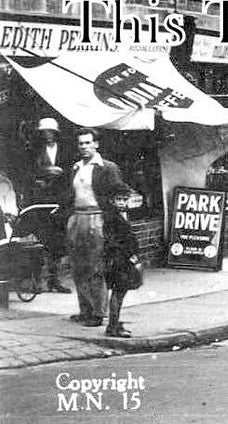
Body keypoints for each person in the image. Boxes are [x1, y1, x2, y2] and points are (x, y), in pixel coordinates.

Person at [64, 129, 131, 328]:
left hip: (97, 218)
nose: (84, 147)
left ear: (96, 144)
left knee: (95, 266)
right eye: (80, 144)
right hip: (77, 218)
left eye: (87, 143)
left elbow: (121, 193)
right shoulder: (75, 167)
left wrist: (116, 222)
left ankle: (97, 312)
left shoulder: (107, 168)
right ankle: (84, 309)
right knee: (78, 267)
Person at [11, 166, 71, 293]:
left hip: (53, 223)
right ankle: (37, 281)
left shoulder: (58, 189)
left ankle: (54, 281)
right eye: (51, 177)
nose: (54, 180)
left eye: (56, 178)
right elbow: (30, 208)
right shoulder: (35, 189)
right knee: (38, 251)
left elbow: (62, 203)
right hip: (38, 224)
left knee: (57, 250)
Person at [102, 196, 142, 338]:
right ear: (112, 200)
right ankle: (112, 326)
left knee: (119, 292)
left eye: (124, 199)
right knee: (119, 292)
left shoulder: (117, 215)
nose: (121, 202)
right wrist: (129, 254)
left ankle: (114, 323)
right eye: (118, 199)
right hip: (119, 260)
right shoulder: (112, 218)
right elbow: (114, 241)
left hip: (119, 259)